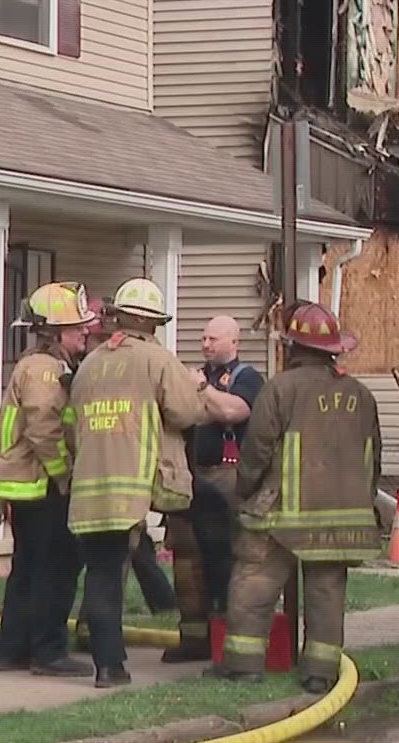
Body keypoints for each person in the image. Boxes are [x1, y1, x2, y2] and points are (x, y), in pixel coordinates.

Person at [207, 302, 380, 695]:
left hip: (282, 516)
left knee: (254, 585)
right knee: (327, 595)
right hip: (342, 519)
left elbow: (257, 452)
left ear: (292, 348)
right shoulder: (362, 396)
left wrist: (245, 492)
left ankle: (243, 666)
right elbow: (375, 459)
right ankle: (320, 673)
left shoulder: (281, 389)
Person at [66, 278, 210, 688]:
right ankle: (109, 669)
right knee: (112, 572)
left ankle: (105, 658)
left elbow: (72, 427)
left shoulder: (90, 363)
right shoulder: (156, 359)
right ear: (152, 323)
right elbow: (185, 413)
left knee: (101, 572)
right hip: (129, 489)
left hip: (88, 486)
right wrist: (197, 389)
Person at [0, 282, 94, 678]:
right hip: (42, 484)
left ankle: (14, 650)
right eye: (76, 328)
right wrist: (65, 475)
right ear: (54, 332)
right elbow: (44, 429)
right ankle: (48, 652)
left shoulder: (33, 365)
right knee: (55, 567)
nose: (85, 332)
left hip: (27, 484)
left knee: (28, 566)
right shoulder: (45, 370)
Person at [161, 316, 262, 663]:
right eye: (203, 338)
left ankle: (227, 636)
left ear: (234, 342)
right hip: (192, 476)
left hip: (228, 478)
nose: (205, 344)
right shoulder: (193, 376)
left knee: (228, 558)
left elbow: (235, 412)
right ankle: (193, 638)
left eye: (213, 339)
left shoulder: (246, 378)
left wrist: (202, 390)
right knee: (187, 559)